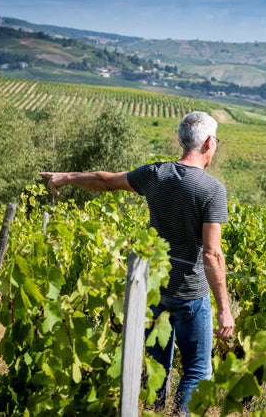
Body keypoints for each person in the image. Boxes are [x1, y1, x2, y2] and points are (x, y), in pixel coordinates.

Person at [39, 111, 234, 415]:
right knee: (197, 370)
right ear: (209, 142)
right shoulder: (213, 191)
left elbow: (105, 181)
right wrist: (224, 309)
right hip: (191, 295)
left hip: (155, 291)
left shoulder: (155, 175)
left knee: (156, 369)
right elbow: (212, 254)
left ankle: (154, 412)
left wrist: (66, 178)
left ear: (181, 141)